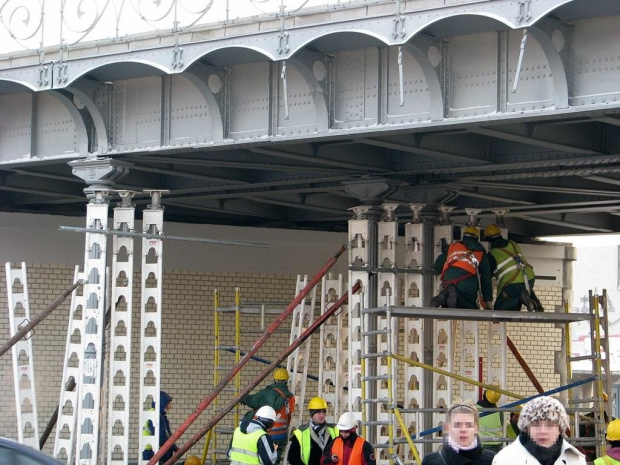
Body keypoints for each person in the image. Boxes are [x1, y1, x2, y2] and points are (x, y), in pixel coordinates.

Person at [492, 396, 586, 465]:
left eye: (550, 425)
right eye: (536, 424)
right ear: (526, 428)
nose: (543, 431)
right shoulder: (505, 460)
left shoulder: (576, 460)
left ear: (560, 429)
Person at [484, 224, 543, 312]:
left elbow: (487, 277)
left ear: (488, 239)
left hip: (512, 283)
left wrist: (487, 299)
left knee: (499, 308)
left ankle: (522, 296)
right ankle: (536, 304)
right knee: (523, 290)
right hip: (529, 277)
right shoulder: (512, 243)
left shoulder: (492, 254)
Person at [431, 226, 493, 310]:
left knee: (451, 301)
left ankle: (445, 296)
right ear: (477, 237)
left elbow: (437, 266)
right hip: (466, 282)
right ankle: (454, 298)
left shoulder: (454, 246)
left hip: (448, 279)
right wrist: (487, 300)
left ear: (464, 235)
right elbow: (486, 277)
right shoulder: (480, 251)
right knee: (469, 306)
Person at [243, 368, 296, 463]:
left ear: (274, 380)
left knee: (261, 460)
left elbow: (252, 401)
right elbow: (290, 412)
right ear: (286, 380)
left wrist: (243, 398)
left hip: (264, 435)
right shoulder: (290, 397)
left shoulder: (266, 393)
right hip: (280, 436)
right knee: (275, 460)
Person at [422, 400, 495, 465]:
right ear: (448, 428)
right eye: (457, 425)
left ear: (476, 428)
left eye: (468, 425)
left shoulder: (492, 460)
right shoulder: (430, 462)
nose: (463, 429)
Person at [288, 397, 338, 465]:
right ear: (311, 414)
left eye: (323, 412)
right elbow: (292, 457)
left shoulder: (335, 430)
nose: (322, 415)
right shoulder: (300, 433)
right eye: (318, 412)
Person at [142, 390, 180, 464]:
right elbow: (162, 438)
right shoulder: (155, 417)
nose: (170, 406)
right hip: (153, 453)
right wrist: (175, 448)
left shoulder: (155, 415)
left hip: (152, 452)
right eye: (168, 403)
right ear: (162, 403)